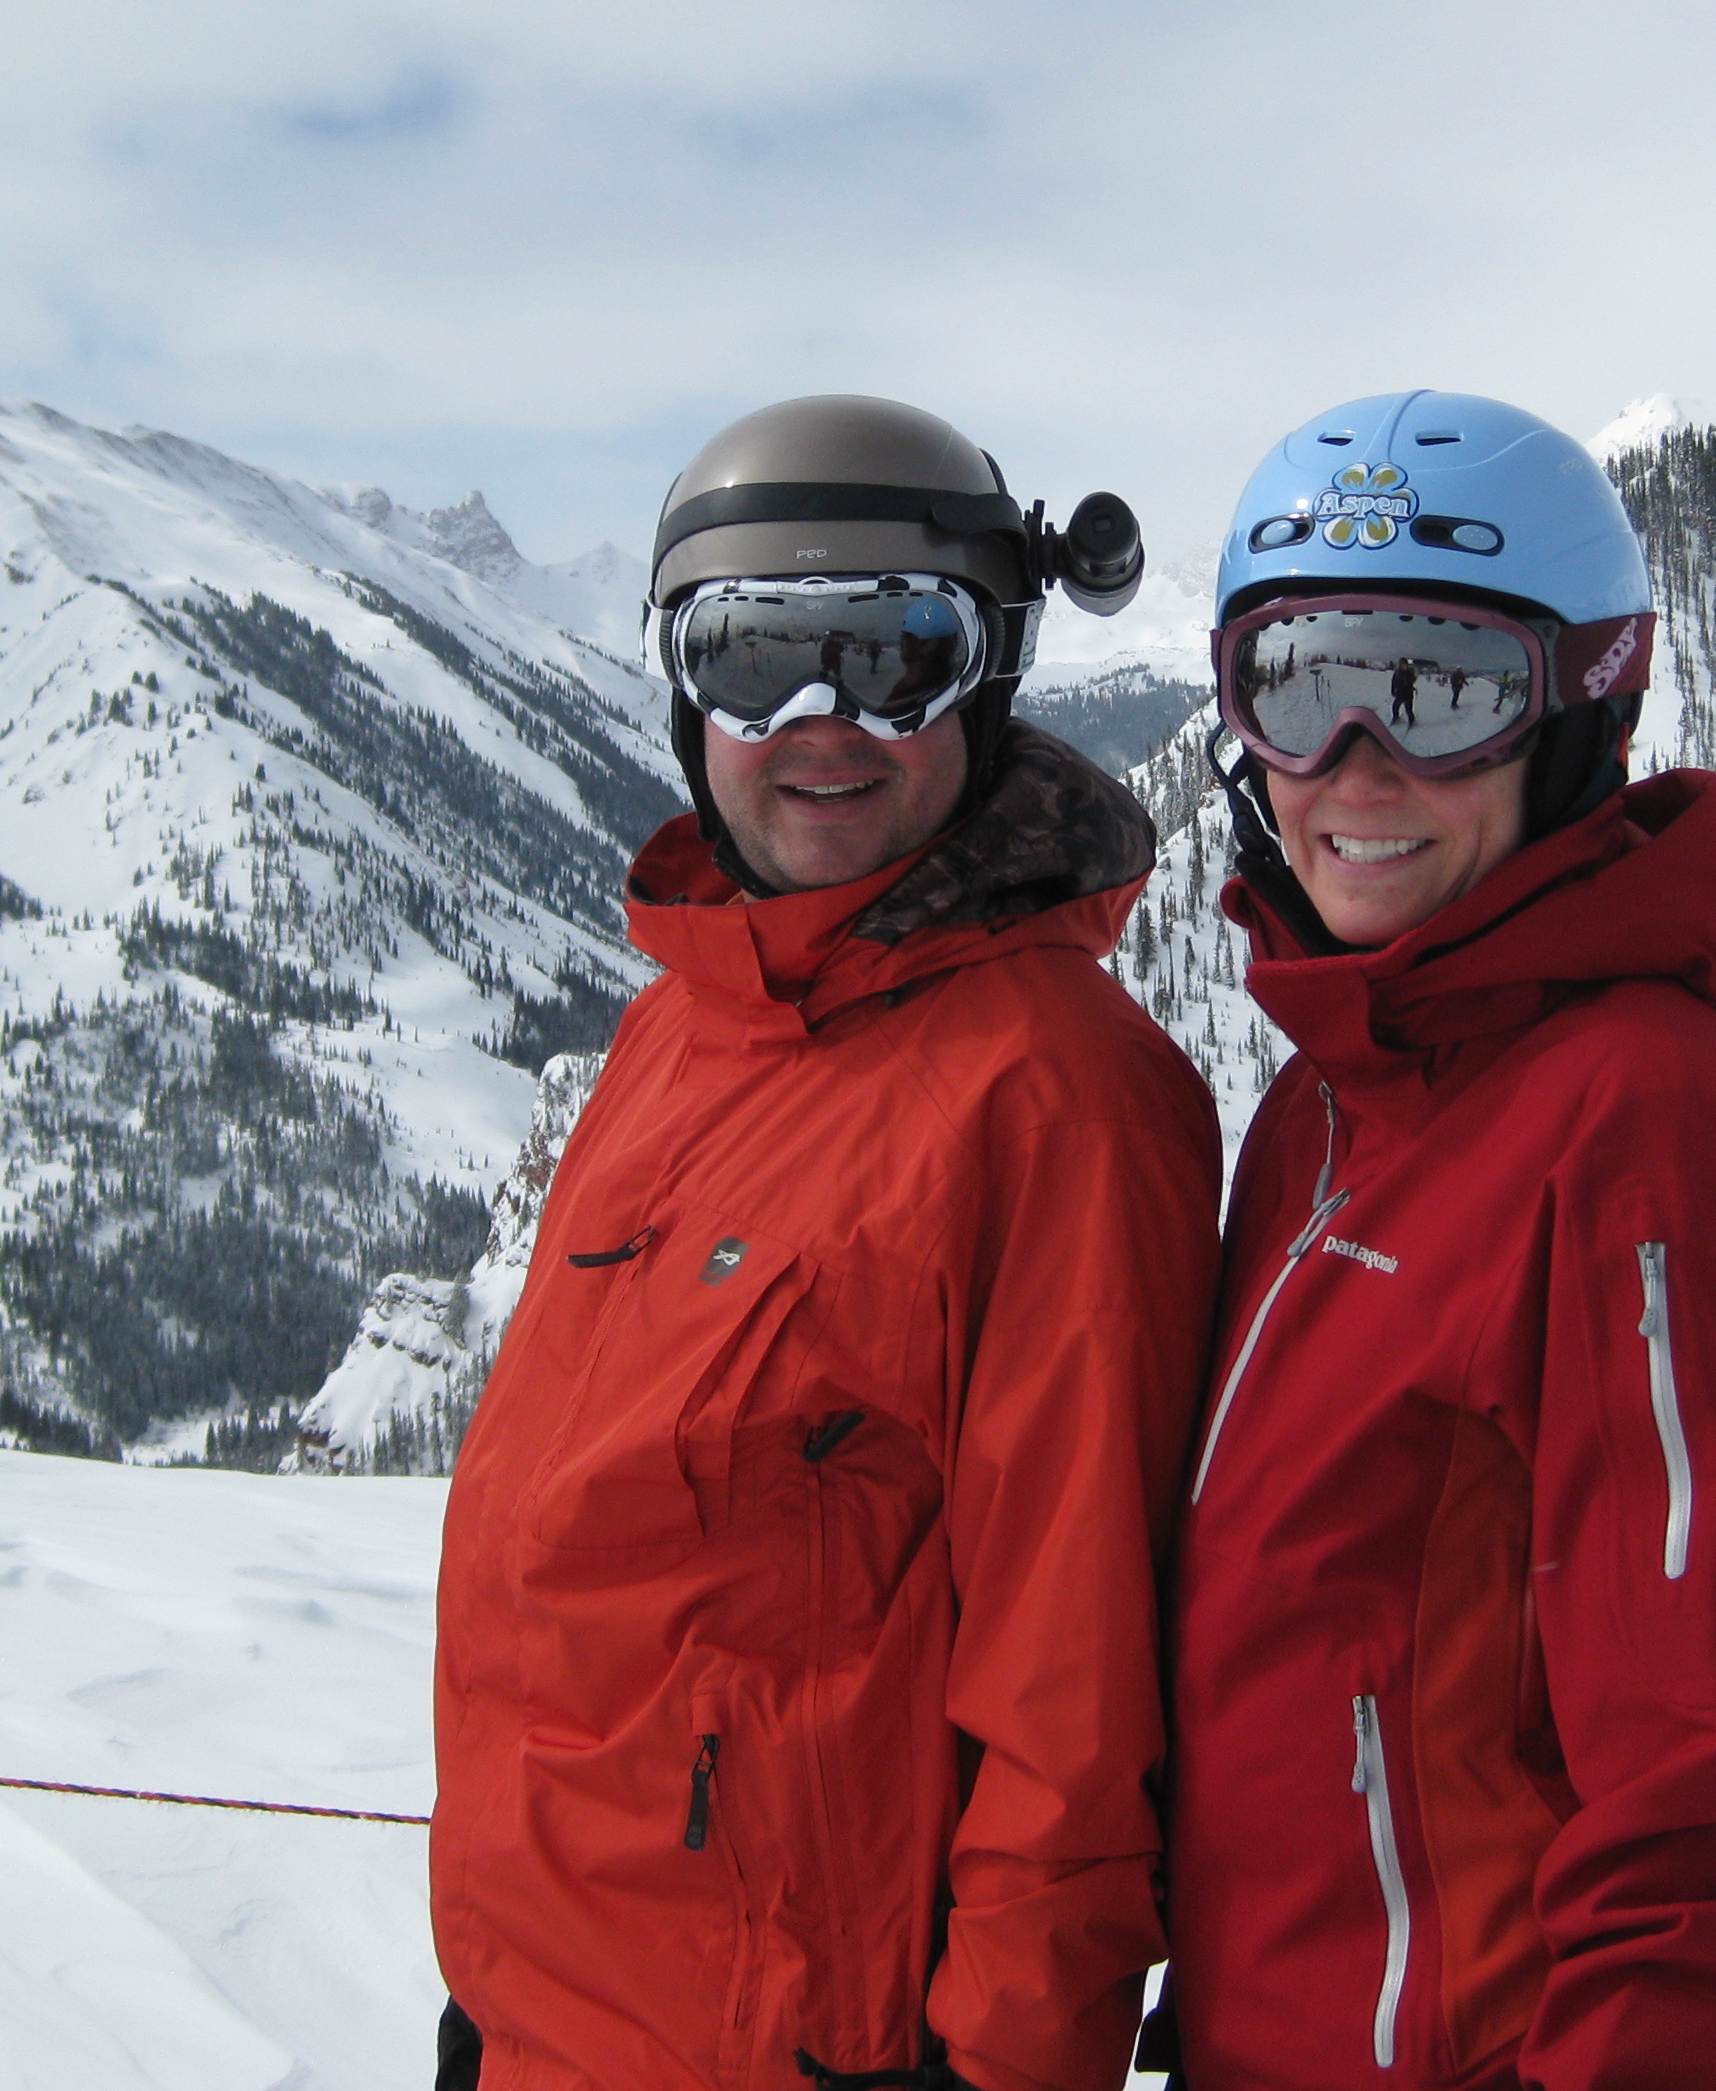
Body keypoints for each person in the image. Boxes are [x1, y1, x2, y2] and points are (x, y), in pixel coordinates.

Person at [432, 395, 1224, 2091]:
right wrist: (490, 1996)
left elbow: (1077, 1708)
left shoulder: (1059, 1103)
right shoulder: (676, 1032)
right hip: (547, 2023)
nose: (820, 726)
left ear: (992, 675)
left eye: (893, 659)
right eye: (752, 660)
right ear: (680, 691)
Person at [1152, 391, 1716, 2091]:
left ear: (1580, 716)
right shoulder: (1330, 1097)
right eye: (1294, 687)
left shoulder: (1646, 1129)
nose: (1352, 767)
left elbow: (1698, 1810)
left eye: (1442, 692)